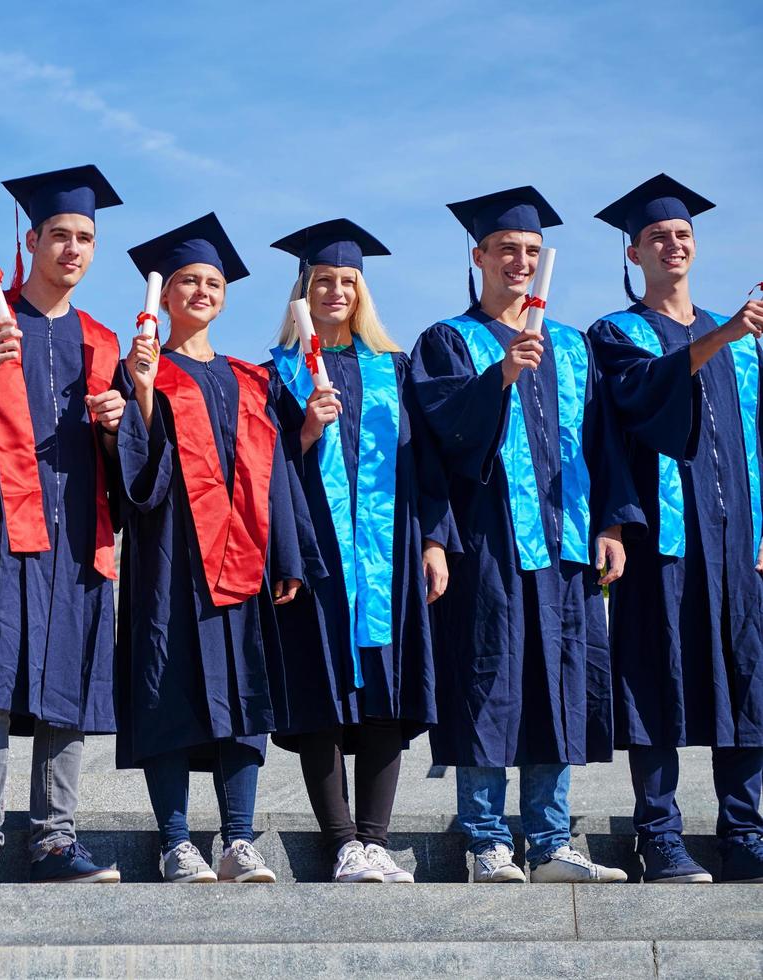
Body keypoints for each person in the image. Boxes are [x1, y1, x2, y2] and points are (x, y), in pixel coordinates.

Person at [411, 186, 639, 884]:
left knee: (558, 688)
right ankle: (483, 839)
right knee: (486, 683)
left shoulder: (571, 345)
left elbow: (604, 444)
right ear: (477, 254)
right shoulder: (448, 339)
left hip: (566, 552)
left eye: (530, 251)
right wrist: (499, 377)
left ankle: (548, 841)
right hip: (487, 546)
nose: (518, 259)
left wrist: (610, 523)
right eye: (505, 248)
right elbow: (437, 438)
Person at [0, 165, 128, 884]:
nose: (72, 249)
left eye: (84, 238)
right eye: (60, 236)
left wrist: (119, 427)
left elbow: (134, 456)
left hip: (80, 534)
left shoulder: (103, 342)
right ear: (31, 239)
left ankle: (54, 839)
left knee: (69, 683)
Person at [115, 213, 308, 884]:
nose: (200, 291)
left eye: (212, 283)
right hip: (169, 561)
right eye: (187, 281)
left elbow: (277, 471)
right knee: (166, 686)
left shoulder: (252, 380)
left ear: (224, 297)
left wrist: (287, 555)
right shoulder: (141, 369)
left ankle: (236, 839)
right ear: (164, 295)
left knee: (244, 692)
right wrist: (139, 391)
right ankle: (175, 842)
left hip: (244, 561)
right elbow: (133, 470)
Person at [587, 174, 763, 884]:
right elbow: (639, 397)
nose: (672, 244)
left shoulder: (745, 344)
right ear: (633, 254)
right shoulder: (615, 333)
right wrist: (722, 333)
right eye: (657, 237)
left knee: (748, 681)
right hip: (661, 541)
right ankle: (657, 834)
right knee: (653, 677)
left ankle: (744, 830)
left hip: (737, 545)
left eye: (682, 234)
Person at [265, 220, 453, 883]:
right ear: (303, 291)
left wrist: (434, 542)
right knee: (321, 693)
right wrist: (305, 430)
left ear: (361, 292)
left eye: (346, 281)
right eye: (323, 281)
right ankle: (342, 840)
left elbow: (427, 466)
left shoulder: (394, 370)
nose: (335, 290)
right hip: (316, 560)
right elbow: (261, 472)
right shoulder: (275, 374)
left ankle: (374, 840)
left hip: (389, 557)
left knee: (386, 693)